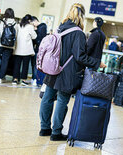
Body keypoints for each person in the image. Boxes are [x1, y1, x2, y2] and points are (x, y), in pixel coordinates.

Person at [39, 3, 105, 141]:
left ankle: (44, 128)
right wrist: (97, 63)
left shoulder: (59, 28)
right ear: (82, 16)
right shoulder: (78, 33)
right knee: (62, 100)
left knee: (47, 98)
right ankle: (56, 132)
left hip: (53, 68)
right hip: (67, 73)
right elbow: (79, 56)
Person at [0, 8, 18, 84]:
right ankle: (0, 78)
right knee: (5, 61)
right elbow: (16, 36)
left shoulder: (2, 21)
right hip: (9, 46)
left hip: (0, 43)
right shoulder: (15, 23)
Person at [13, 14, 37, 85]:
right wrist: (34, 27)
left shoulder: (18, 25)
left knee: (17, 65)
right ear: (29, 20)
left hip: (18, 48)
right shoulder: (30, 27)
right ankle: (23, 80)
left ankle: (15, 79)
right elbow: (34, 37)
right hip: (26, 50)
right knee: (25, 65)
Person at [31, 16, 47, 86]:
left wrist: (35, 31)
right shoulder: (42, 27)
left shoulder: (42, 27)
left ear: (35, 21)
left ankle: (36, 79)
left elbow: (39, 40)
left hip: (39, 50)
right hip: (38, 50)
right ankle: (35, 79)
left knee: (36, 66)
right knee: (35, 65)